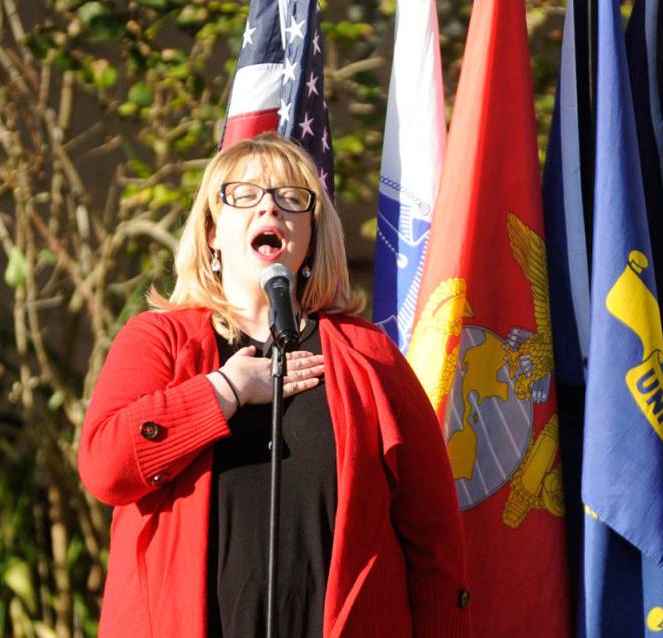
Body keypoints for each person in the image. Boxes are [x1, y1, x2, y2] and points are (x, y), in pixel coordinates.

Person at [79, 133, 470, 637]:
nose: (270, 206)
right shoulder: (159, 340)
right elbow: (105, 468)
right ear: (212, 233)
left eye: (291, 198)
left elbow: (433, 534)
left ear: (309, 237)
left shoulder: (367, 354)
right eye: (244, 194)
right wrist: (223, 390)